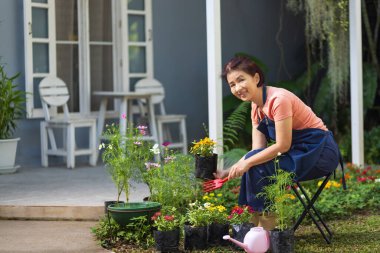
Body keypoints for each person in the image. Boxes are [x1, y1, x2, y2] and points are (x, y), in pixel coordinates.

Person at [215, 55, 343, 229]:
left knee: (257, 166)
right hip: (297, 153)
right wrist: (228, 171)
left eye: (241, 80)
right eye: (232, 85)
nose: (238, 88)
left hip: (320, 153)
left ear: (256, 78)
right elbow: (257, 150)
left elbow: (283, 146)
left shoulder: (278, 100)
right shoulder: (255, 107)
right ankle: (253, 227)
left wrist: (248, 163)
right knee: (254, 162)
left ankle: (262, 230)